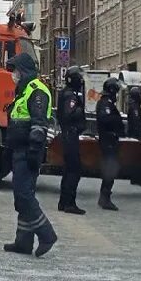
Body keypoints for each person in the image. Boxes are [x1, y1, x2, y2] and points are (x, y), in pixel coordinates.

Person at [2, 52, 57, 258]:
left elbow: (39, 124)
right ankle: (23, 241)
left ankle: (46, 234)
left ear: (23, 71)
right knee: (22, 196)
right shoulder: (24, 90)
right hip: (20, 150)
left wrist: (34, 151)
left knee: (24, 196)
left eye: (15, 70)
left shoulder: (37, 91)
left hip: (28, 151)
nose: (13, 75)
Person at [56, 66, 87, 215]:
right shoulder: (70, 96)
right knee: (74, 170)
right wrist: (80, 111)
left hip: (68, 134)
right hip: (70, 135)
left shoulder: (68, 93)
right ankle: (69, 202)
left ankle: (63, 202)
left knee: (69, 170)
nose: (81, 80)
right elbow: (69, 114)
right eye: (79, 77)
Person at [96, 78, 125, 211]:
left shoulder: (108, 103)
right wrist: (117, 122)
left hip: (111, 140)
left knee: (111, 170)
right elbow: (106, 119)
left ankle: (105, 197)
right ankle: (105, 198)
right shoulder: (105, 103)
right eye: (117, 90)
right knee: (109, 170)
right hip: (108, 141)